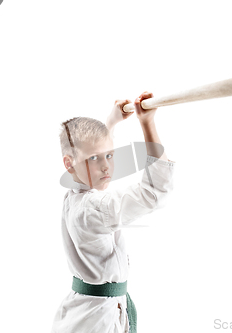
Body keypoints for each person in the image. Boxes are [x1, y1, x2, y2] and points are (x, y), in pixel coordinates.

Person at [51, 91, 175, 333]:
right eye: (96, 158)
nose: (106, 166)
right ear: (69, 164)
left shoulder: (77, 193)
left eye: (110, 155)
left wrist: (112, 121)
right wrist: (147, 124)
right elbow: (155, 192)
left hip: (88, 311)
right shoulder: (92, 210)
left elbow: (90, 151)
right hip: (97, 322)